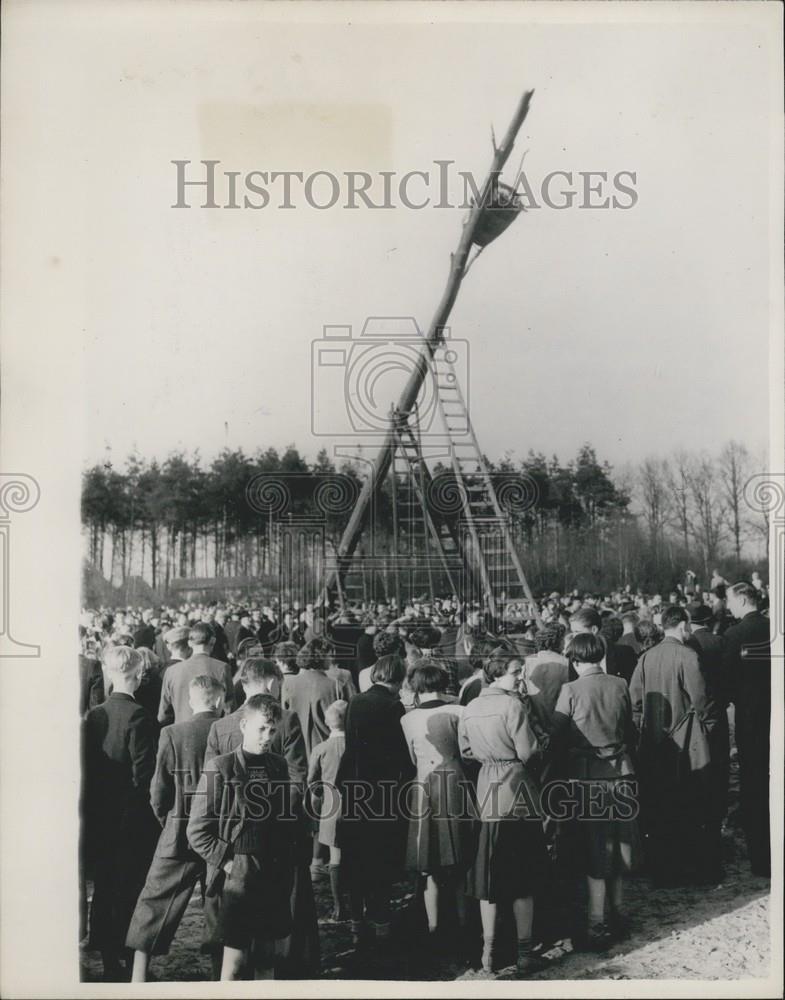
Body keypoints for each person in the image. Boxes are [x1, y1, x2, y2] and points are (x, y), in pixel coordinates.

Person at [187, 695, 298, 980]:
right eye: (261, 729)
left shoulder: (278, 766)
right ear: (244, 724)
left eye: (272, 731)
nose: (267, 737)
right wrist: (228, 864)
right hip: (239, 876)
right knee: (234, 965)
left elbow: (285, 822)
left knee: (266, 960)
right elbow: (197, 830)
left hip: (273, 872)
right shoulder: (221, 767)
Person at [126, 675, 224, 981]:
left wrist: (167, 820)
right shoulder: (228, 731)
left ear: (191, 701)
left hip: (178, 829)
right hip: (219, 834)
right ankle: (222, 976)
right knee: (219, 905)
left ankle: (138, 977)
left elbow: (158, 792)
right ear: (220, 701)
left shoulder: (172, 732)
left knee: (154, 901)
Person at [458, 648, 547, 976]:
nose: (520, 677)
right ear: (497, 673)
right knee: (524, 878)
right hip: (518, 792)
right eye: (515, 672)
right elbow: (528, 751)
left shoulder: (470, 707)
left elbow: (466, 750)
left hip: (487, 793)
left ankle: (488, 954)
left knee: (489, 877)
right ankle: (525, 952)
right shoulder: (512, 705)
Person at [551, 634, 640, 950]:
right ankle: (619, 913)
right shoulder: (619, 684)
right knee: (619, 846)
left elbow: (556, 736)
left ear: (574, 661)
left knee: (595, 850)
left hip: (589, 778)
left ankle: (596, 923)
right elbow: (630, 729)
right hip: (622, 773)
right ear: (601, 655)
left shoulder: (570, 690)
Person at [81, 646, 158, 980]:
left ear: (109, 674)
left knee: (105, 886)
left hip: (98, 816)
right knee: (129, 888)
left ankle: (109, 958)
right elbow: (145, 777)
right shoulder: (140, 716)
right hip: (130, 818)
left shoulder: (94, 715)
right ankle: (125, 961)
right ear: (138, 675)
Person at [629, 605, 715, 886]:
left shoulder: (645, 658)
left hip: (653, 743)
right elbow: (701, 700)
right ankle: (691, 867)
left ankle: (662, 869)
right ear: (681, 625)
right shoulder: (688, 656)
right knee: (688, 803)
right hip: (686, 740)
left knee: (660, 805)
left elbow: (635, 701)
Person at [336, 653, 413, 948]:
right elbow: (397, 752)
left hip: (355, 786)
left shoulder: (357, 700)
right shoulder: (394, 706)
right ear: (398, 678)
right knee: (379, 859)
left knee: (355, 857)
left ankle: (357, 923)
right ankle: (381, 924)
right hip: (382, 791)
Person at [400, 664, 472, 947]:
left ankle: (433, 925)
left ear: (417, 688)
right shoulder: (459, 711)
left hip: (425, 781)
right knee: (460, 854)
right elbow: (467, 752)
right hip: (455, 780)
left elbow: (410, 756)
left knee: (428, 858)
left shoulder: (408, 720)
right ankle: (465, 921)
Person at [723, 582, 771, 877]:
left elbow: (727, 683)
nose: (727, 607)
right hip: (776, 716)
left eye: (729, 601)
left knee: (754, 786)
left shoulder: (734, 635)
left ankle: (762, 860)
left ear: (742, 600)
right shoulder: (774, 629)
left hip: (751, 721)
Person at [306, 700, 348, 921]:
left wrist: (316, 801)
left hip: (331, 807)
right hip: (358, 803)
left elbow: (313, 782)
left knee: (336, 858)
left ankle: (339, 906)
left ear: (326, 722)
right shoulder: (357, 744)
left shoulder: (321, 749)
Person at [287, 637, 356, 760]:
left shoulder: (289, 684)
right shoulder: (334, 685)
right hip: (326, 750)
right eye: (329, 655)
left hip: (296, 750)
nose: (332, 659)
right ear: (321, 657)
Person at [158, 623, 234, 725]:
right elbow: (230, 710)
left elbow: (163, 716)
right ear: (213, 641)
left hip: (182, 733)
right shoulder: (222, 668)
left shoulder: (171, 671)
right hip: (213, 733)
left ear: (190, 643)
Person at [520, 624, 570, 736]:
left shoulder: (527, 661)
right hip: (560, 720)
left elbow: (522, 692)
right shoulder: (566, 663)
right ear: (558, 641)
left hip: (535, 721)